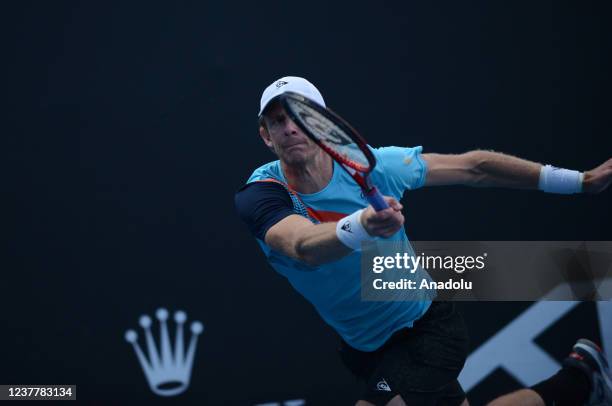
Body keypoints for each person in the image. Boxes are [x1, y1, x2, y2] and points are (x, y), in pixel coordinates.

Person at [235, 76, 612, 405]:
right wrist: (363, 225)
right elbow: (301, 245)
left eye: (301, 115)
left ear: (322, 123)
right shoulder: (263, 194)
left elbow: (473, 168)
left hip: (426, 328)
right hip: (364, 348)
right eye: (278, 120)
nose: (290, 127)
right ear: (266, 135)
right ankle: (577, 382)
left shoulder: (377, 168)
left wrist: (577, 181)